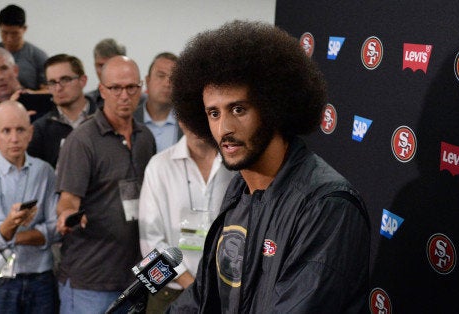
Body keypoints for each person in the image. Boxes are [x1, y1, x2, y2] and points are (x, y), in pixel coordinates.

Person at [167, 21, 370, 313]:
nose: (224, 128)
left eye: (238, 109)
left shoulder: (326, 205)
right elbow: (204, 296)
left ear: (274, 106)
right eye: (213, 113)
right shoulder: (239, 190)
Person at [55, 56, 155, 313]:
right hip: (91, 280)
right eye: (116, 88)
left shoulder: (145, 137)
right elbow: (68, 200)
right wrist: (67, 214)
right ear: (102, 90)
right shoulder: (82, 140)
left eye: (131, 87)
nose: (125, 95)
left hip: (133, 278)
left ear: (141, 88)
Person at [0, 100, 57, 313]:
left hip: (40, 276)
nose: (14, 138)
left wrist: (13, 235)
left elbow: (56, 229)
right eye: (6, 131)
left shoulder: (45, 171)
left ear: (30, 132)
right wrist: (12, 223)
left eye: (20, 130)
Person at [138, 122, 234, 313]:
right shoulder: (159, 166)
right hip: (170, 293)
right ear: (181, 120)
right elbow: (149, 245)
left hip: (226, 291)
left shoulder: (235, 165)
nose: (198, 124)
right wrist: (194, 288)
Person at [28, 54, 97, 170]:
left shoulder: (104, 119)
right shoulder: (40, 129)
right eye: (52, 82)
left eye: (65, 80)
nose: (58, 88)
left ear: (83, 81)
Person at [0, 4, 48, 90]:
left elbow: (47, 90)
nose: (9, 39)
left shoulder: (38, 56)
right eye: (5, 33)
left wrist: (27, 94)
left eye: (14, 33)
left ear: (24, 29)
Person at [134, 52, 182, 152]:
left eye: (173, 78)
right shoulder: (130, 119)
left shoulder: (188, 123)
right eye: (161, 76)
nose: (167, 83)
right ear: (147, 81)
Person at [85, 38, 126, 108]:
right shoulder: (85, 103)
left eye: (110, 65)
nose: (105, 71)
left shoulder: (143, 102)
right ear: (95, 65)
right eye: (100, 65)